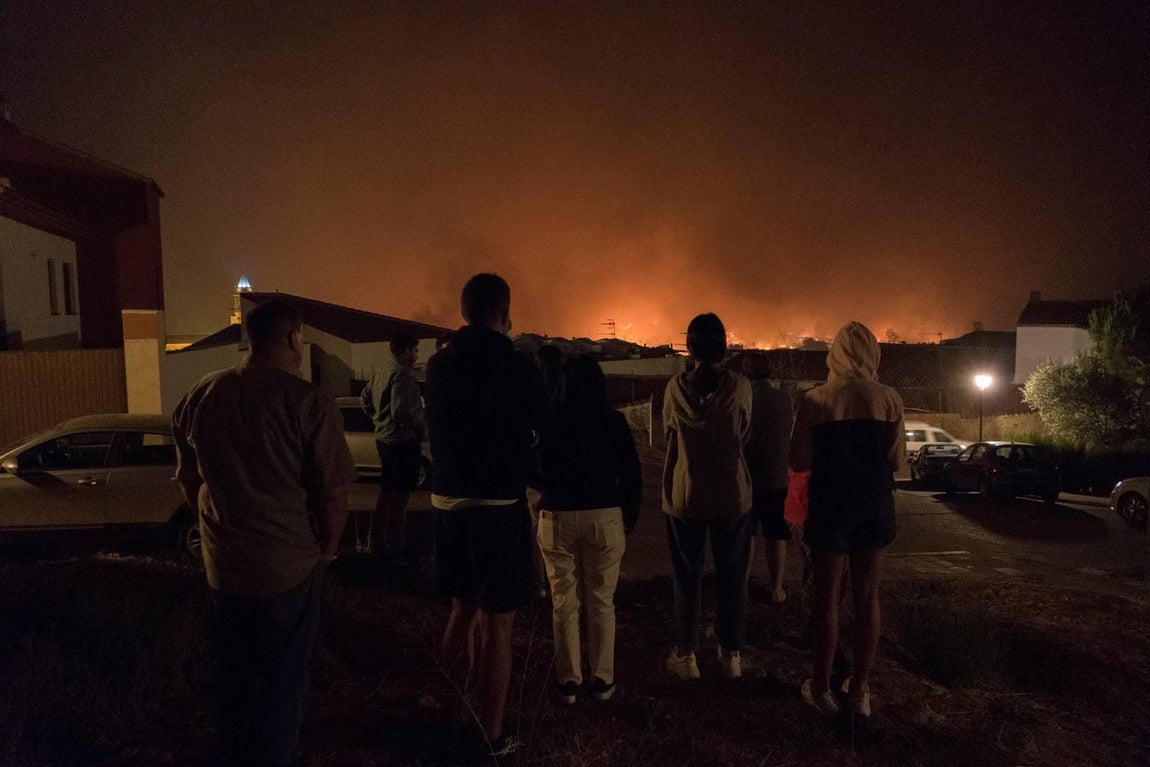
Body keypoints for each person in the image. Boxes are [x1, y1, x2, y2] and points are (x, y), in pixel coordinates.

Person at [172, 299, 356, 767]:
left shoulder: (200, 394)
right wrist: (327, 553)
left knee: (235, 677)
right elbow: (334, 495)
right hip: (287, 566)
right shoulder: (308, 402)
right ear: (294, 338)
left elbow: (188, 479)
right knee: (281, 685)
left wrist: (211, 528)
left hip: (224, 566)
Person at [425, 273, 547, 758]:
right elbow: (543, 422)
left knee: (461, 610)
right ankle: (491, 735)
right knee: (499, 623)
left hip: (448, 503)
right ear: (504, 311)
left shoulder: (437, 365)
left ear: (463, 309)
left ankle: (452, 717)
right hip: (499, 504)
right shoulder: (518, 365)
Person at [789, 321, 904, 719]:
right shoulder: (890, 399)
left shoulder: (815, 400)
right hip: (874, 507)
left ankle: (820, 688)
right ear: (874, 354)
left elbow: (799, 460)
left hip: (831, 507)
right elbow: (897, 462)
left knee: (827, 602)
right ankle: (859, 688)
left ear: (834, 354)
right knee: (868, 598)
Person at [534, 354, 641, 704]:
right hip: (605, 514)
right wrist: (630, 515)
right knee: (601, 600)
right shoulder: (613, 422)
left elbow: (533, 469)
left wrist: (547, 492)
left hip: (558, 515)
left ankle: (568, 682)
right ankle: (603, 679)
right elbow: (630, 471)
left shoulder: (549, 423)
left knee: (563, 600)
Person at [662, 313, 754, 680]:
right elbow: (745, 431)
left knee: (686, 576)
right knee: (733, 576)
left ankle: (685, 655)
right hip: (732, 494)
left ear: (690, 347)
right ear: (724, 346)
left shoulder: (674, 389)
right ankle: (731, 654)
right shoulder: (741, 387)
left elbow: (669, 431)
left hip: (685, 495)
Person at [359, 332, 425, 561]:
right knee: (400, 497)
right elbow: (401, 411)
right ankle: (397, 545)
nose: (417, 355)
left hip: (384, 440)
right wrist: (419, 428)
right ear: (406, 350)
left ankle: (378, 541)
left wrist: (378, 419)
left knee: (387, 493)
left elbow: (364, 399)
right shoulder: (403, 375)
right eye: (415, 350)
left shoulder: (381, 370)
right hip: (401, 442)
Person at [742, 354, 794, 604]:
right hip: (776, 478)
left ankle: (741, 585)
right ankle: (777, 588)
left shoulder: (741, 399)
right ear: (770, 371)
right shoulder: (783, 400)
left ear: (746, 373)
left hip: (746, 478)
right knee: (776, 536)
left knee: (746, 534)